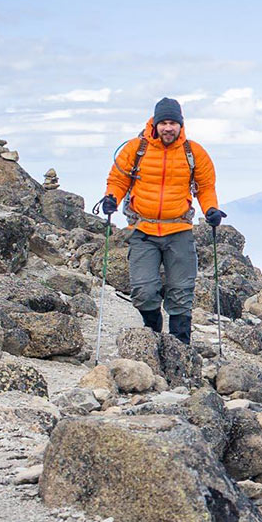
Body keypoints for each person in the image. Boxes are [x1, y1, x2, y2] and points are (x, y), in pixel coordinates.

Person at [101, 97, 226, 345]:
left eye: (173, 123)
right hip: (143, 229)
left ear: (181, 125)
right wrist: (111, 199)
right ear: (155, 124)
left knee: (181, 291)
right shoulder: (136, 149)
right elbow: (118, 180)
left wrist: (211, 209)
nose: (168, 128)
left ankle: (181, 348)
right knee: (143, 291)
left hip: (179, 229)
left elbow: (205, 187)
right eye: (164, 123)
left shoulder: (194, 152)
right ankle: (153, 332)